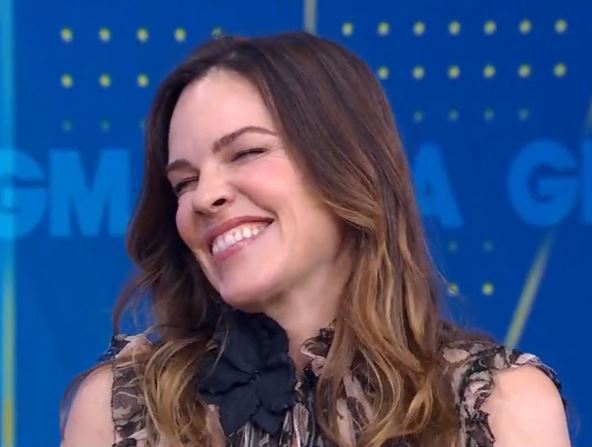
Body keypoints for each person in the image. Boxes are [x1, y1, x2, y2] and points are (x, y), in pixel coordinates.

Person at [60, 31, 571, 447]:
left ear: (349, 167)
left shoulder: (500, 406)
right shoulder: (119, 412)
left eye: (246, 153)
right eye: (183, 182)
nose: (205, 196)